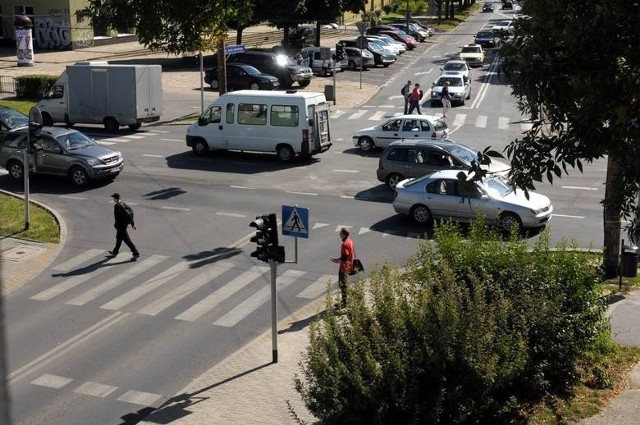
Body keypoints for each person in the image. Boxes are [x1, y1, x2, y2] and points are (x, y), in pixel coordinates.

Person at [107, 193, 140, 260]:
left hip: (120, 226)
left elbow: (117, 218)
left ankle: (136, 253)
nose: (113, 199)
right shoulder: (123, 203)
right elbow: (129, 214)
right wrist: (132, 224)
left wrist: (116, 225)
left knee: (127, 241)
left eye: (113, 198)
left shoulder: (117, 206)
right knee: (118, 239)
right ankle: (115, 252)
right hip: (124, 225)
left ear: (116, 198)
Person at [331, 228, 354, 307]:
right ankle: (345, 301)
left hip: (344, 268)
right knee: (344, 284)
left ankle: (345, 302)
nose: (339, 234)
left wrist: (337, 260)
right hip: (349, 265)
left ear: (343, 234)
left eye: (340, 233)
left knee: (342, 284)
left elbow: (345, 257)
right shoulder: (350, 241)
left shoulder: (344, 244)